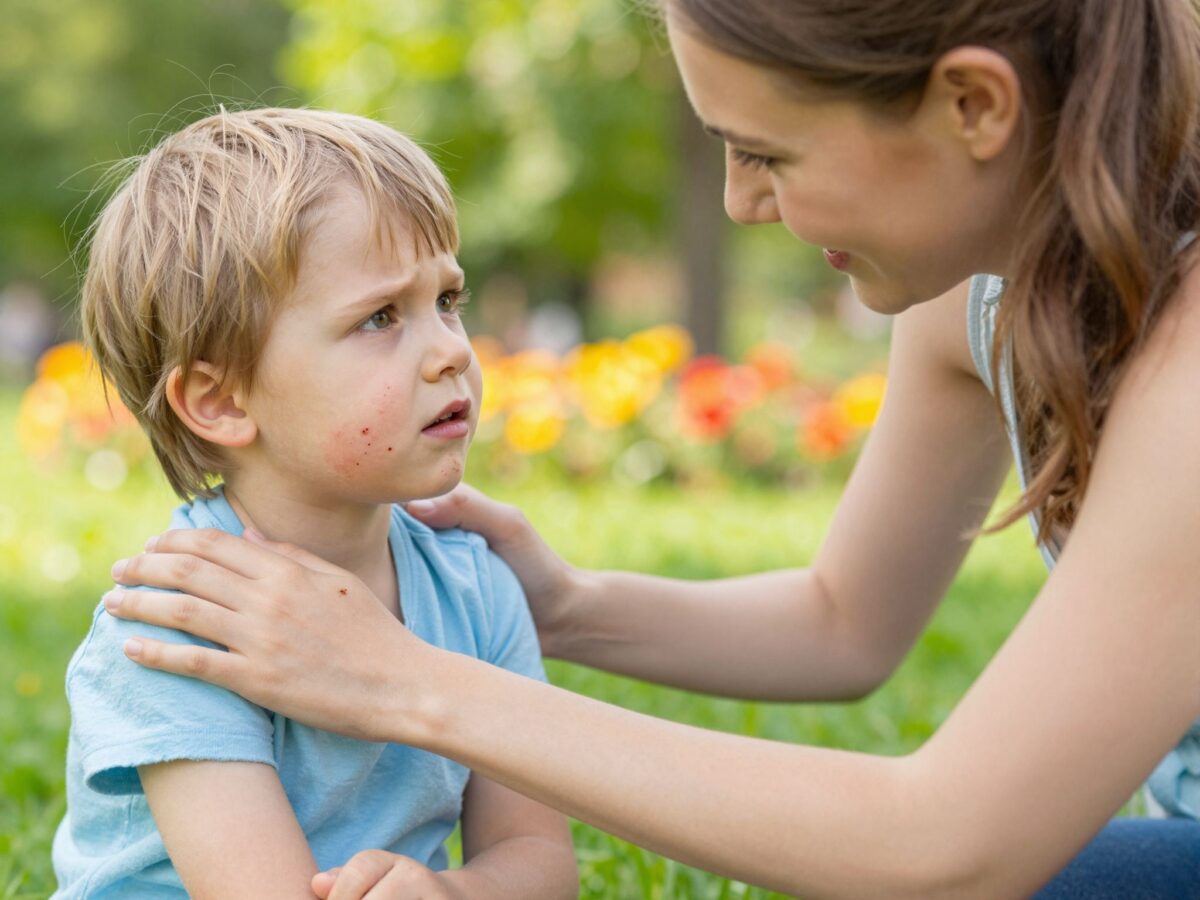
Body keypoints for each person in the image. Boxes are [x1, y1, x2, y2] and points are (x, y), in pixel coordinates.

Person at [99, 1, 1200, 896]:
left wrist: (407, 682)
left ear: (973, 104)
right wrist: (561, 605)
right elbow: (845, 622)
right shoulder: (978, 291)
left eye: (765, 151)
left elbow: (949, 846)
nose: (739, 203)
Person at [51, 107, 577, 900]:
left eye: (448, 300)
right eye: (379, 317)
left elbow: (538, 860)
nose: (453, 351)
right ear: (221, 400)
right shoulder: (181, 627)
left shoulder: (477, 590)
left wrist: (450, 892)